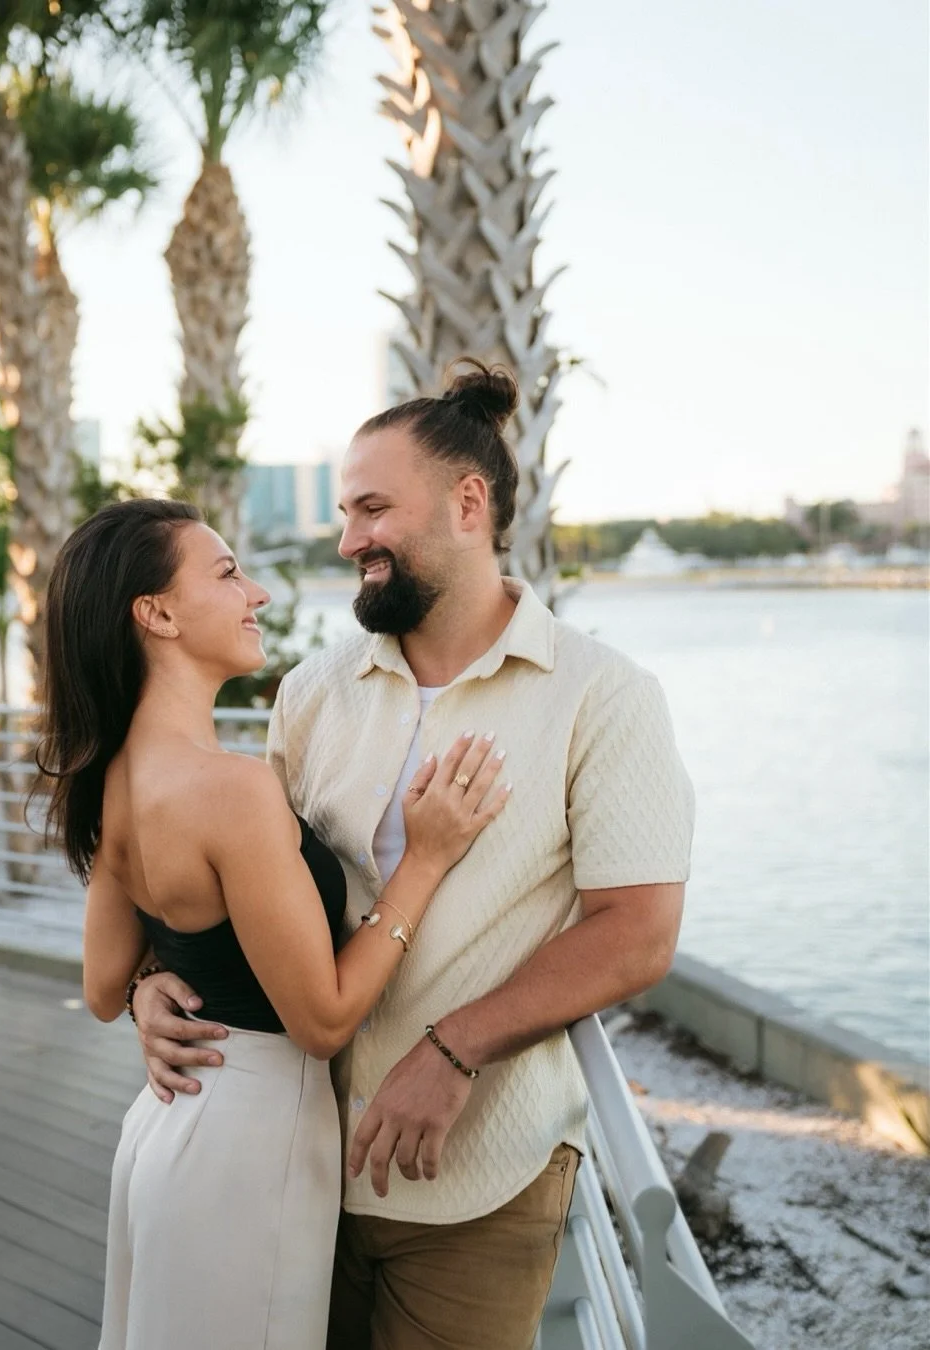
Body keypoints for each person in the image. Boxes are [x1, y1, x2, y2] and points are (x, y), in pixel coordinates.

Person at [132, 359, 696, 1350]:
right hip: (291, 1157)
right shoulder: (312, 693)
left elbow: (638, 936)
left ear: (467, 503)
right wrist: (153, 979)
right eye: (347, 514)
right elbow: (237, 883)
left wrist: (453, 1049)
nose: (348, 540)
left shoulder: (603, 696)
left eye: (372, 510)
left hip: (478, 1185)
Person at [30, 497, 511, 1350]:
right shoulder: (234, 791)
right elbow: (322, 1020)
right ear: (158, 613)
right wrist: (426, 860)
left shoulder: (112, 779)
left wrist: (150, 991)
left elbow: (105, 988)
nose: (255, 594)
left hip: (167, 1127)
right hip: (249, 1145)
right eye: (226, 573)